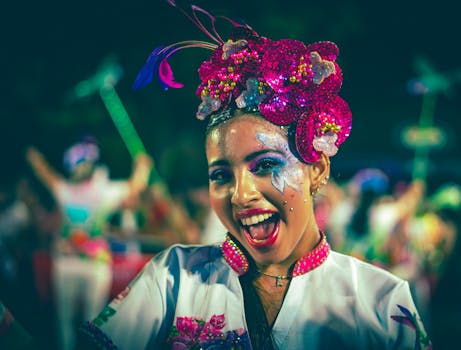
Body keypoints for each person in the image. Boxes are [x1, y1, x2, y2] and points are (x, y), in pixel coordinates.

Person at [77, 3, 430, 349]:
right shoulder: (173, 279)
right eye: (221, 175)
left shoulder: (380, 302)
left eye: (265, 165)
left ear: (317, 170)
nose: (240, 194)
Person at [25, 136, 152, 350]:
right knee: (93, 322)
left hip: (68, 263)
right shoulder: (105, 192)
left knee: (65, 322)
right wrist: (143, 166)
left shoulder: (66, 190)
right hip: (95, 265)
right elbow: (136, 186)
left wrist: (34, 157)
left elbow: (45, 174)